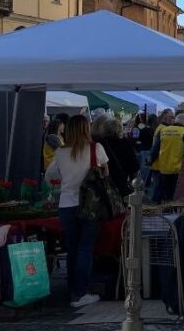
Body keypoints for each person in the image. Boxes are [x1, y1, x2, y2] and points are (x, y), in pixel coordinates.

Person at [43, 114, 109, 308]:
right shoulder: (95, 149)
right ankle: (80, 293)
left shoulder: (61, 153)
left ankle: (72, 290)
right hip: (90, 206)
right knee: (85, 249)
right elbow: (106, 173)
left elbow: (50, 176)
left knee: (72, 249)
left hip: (66, 205)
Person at [94, 115, 140, 198]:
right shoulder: (125, 144)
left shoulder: (100, 144)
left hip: (105, 185)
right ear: (119, 130)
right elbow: (134, 167)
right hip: (122, 183)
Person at [149, 109, 184, 203]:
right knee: (175, 195)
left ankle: (163, 211)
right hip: (178, 169)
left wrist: (150, 161)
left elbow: (156, 148)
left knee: (165, 195)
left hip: (164, 168)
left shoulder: (164, 130)